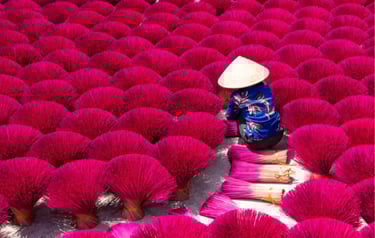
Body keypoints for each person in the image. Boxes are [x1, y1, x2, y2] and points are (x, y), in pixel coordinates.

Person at [218, 56, 283, 150]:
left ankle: (250, 134)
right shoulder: (266, 87)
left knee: (240, 113)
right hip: (277, 136)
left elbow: (229, 116)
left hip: (255, 141)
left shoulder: (237, 95)